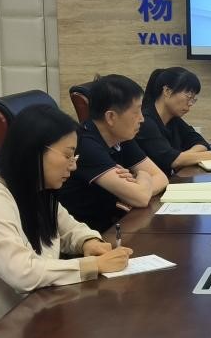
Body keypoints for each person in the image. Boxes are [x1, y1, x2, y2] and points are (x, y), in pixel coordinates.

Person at [0, 105, 133, 331]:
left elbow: (68, 228)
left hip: (34, 313)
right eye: (67, 155)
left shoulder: (35, 188)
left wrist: (88, 242)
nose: (73, 165)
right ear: (33, 151)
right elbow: (22, 272)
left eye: (74, 156)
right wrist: (92, 265)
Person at [58, 74, 169, 232]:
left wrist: (137, 186)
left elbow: (161, 178)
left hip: (116, 224)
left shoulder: (121, 136)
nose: (142, 119)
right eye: (136, 112)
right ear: (111, 117)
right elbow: (141, 197)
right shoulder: (85, 144)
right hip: (88, 235)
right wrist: (143, 176)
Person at [137, 66, 211, 173]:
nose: (190, 103)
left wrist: (183, 158)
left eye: (193, 99)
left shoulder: (173, 119)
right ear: (167, 91)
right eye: (189, 96)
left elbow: (202, 143)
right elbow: (170, 159)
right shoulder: (144, 121)